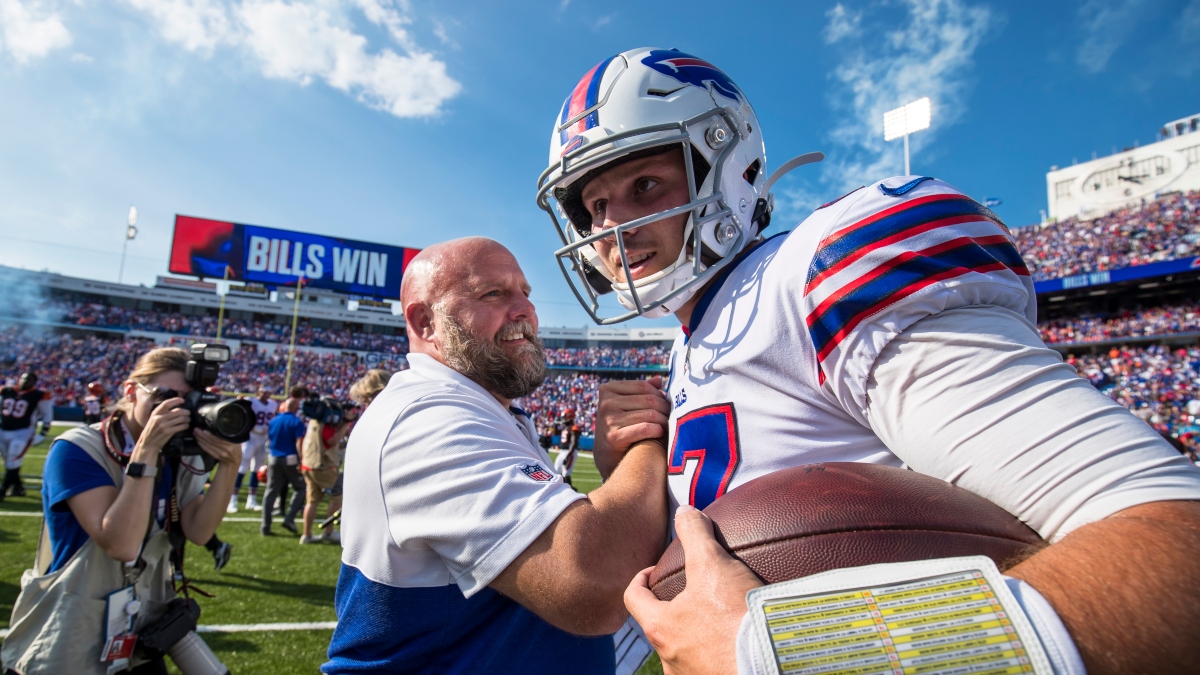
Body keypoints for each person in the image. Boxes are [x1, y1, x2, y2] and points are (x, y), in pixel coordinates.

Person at [536, 47, 1200, 673]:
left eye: (644, 185)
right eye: (594, 207)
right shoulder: (690, 346)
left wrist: (794, 654)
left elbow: (1175, 544)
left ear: (724, 169)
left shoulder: (818, 269)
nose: (609, 230)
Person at [324, 237, 669, 674]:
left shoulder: (488, 408)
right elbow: (592, 585)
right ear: (425, 321)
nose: (525, 308)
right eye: (493, 293)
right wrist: (648, 440)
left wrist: (615, 470)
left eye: (524, 292)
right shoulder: (427, 419)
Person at [0, 347, 240, 674]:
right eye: (167, 396)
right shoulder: (77, 448)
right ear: (131, 391)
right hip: (72, 631)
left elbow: (199, 532)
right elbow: (121, 544)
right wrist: (147, 451)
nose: (179, 410)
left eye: (191, 399)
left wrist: (229, 466)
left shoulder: (179, 454)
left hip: (141, 629)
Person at [298, 401, 352, 544]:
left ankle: (307, 535)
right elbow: (332, 440)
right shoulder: (325, 426)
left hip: (309, 465)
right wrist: (346, 423)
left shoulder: (313, 423)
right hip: (323, 467)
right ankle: (328, 532)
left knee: (312, 501)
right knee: (337, 499)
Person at [0, 371, 54, 499]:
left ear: (34, 383)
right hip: (3, 430)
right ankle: (18, 487)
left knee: (13, 459)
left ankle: (3, 489)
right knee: (9, 462)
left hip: (23, 432)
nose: (25, 381)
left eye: (29, 380)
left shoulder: (39, 395)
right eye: (24, 378)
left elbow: (47, 415)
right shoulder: (6, 390)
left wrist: (42, 433)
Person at [261, 397, 306, 536]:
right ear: (295, 408)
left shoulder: (274, 420)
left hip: (274, 457)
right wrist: (301, 459)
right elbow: (299, 442)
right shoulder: (296, 422)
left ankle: (265, 526)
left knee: (271, 491)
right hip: (290, 458)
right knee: (301, 488)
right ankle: (289, 518)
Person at [229, 386, 278, 513]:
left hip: (263, 438)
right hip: (250, 437)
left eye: (268, 392)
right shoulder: (252, 402)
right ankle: (232, 500)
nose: (266, 394)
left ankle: (252, 500)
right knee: (242, 468)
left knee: (257, 469)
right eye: (263, 392)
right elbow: (239, 404)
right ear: (258, 392)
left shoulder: (273, 404)